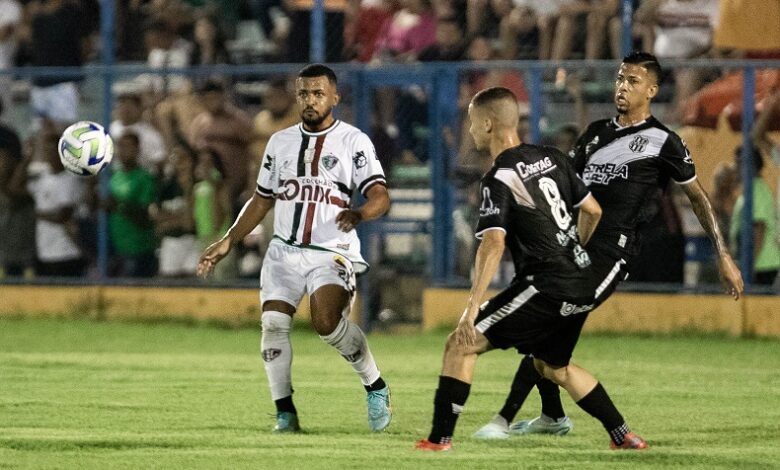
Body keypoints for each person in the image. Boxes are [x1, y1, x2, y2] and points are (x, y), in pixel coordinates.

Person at [473, 51, 744, 442]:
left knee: (546, 324)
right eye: (619, 78)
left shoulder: (664, 141)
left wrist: (723, 254)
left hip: (611, 254)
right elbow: (565, 184)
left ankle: (505, 420)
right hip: (576, 247)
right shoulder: (596, 134)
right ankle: (561, 419)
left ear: (651, 91)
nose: (622, 86)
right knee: (550, 347)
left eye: (633, 81)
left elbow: (698, 197)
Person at [415, 86, 648, 452]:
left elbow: (493, 244)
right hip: (581, 280)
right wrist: (574, 250)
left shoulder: (499, 177)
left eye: (472, 123)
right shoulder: (552, 157)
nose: (470, 131)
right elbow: (593, 211)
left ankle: (439, 440)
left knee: (461, 344)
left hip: (546, 284)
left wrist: (471, 308)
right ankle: (624, 436)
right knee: (554, 368)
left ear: (488, 124)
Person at [197, 64, 393, 433]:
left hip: (331, 250)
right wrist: (229, 239)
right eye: (304, 93)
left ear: (334, 97)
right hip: (284, 250)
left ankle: (375, 385)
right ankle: (285, 413)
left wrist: (360, 213)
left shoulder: (353, 141)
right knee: (273, 324)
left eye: (318, 93)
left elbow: (380, 195)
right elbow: (261, 199)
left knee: (326, 323)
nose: (310, 100)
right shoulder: (279, 142)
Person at [729, 145, 780, 286]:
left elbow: (758, 230)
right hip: (754, 263)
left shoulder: (757, 190)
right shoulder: (749, 189)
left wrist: (749, 265)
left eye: (739, 163)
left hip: (762, 265)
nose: (735, 168)